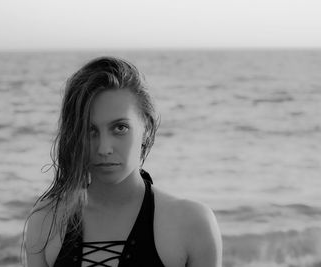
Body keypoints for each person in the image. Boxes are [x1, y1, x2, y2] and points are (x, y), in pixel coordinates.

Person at [24, 56, 222, 267]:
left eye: (120, 128)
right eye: (90, 130)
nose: (104, 148)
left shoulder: (191, 223)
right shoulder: (46, 222)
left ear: (145, 127)